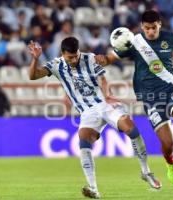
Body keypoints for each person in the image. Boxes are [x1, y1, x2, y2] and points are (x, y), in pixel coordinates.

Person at [95, 10, 173, 185]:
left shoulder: (171, 39)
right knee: (168, 144)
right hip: (150, 97)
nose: (150, 31)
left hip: (172, 87)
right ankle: (171, 163)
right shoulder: (133, 42)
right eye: (147, 28)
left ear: (160, 25)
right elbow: (110, 58)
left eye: (154, 28)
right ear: (142, 27)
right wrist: (103, 59)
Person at [27, 37, 161, 199]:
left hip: (105, 103)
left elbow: (102, 79)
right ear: (63, 54)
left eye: (76, 55)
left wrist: (108, 95)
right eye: (70, 57)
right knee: (83, 139)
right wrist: (35, 59)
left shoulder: (89, 58)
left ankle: (146, 172)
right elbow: (33, 76)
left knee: (131, 129)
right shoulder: (56, 65)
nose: (75, 59)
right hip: (88, 112)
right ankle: (93, 188)